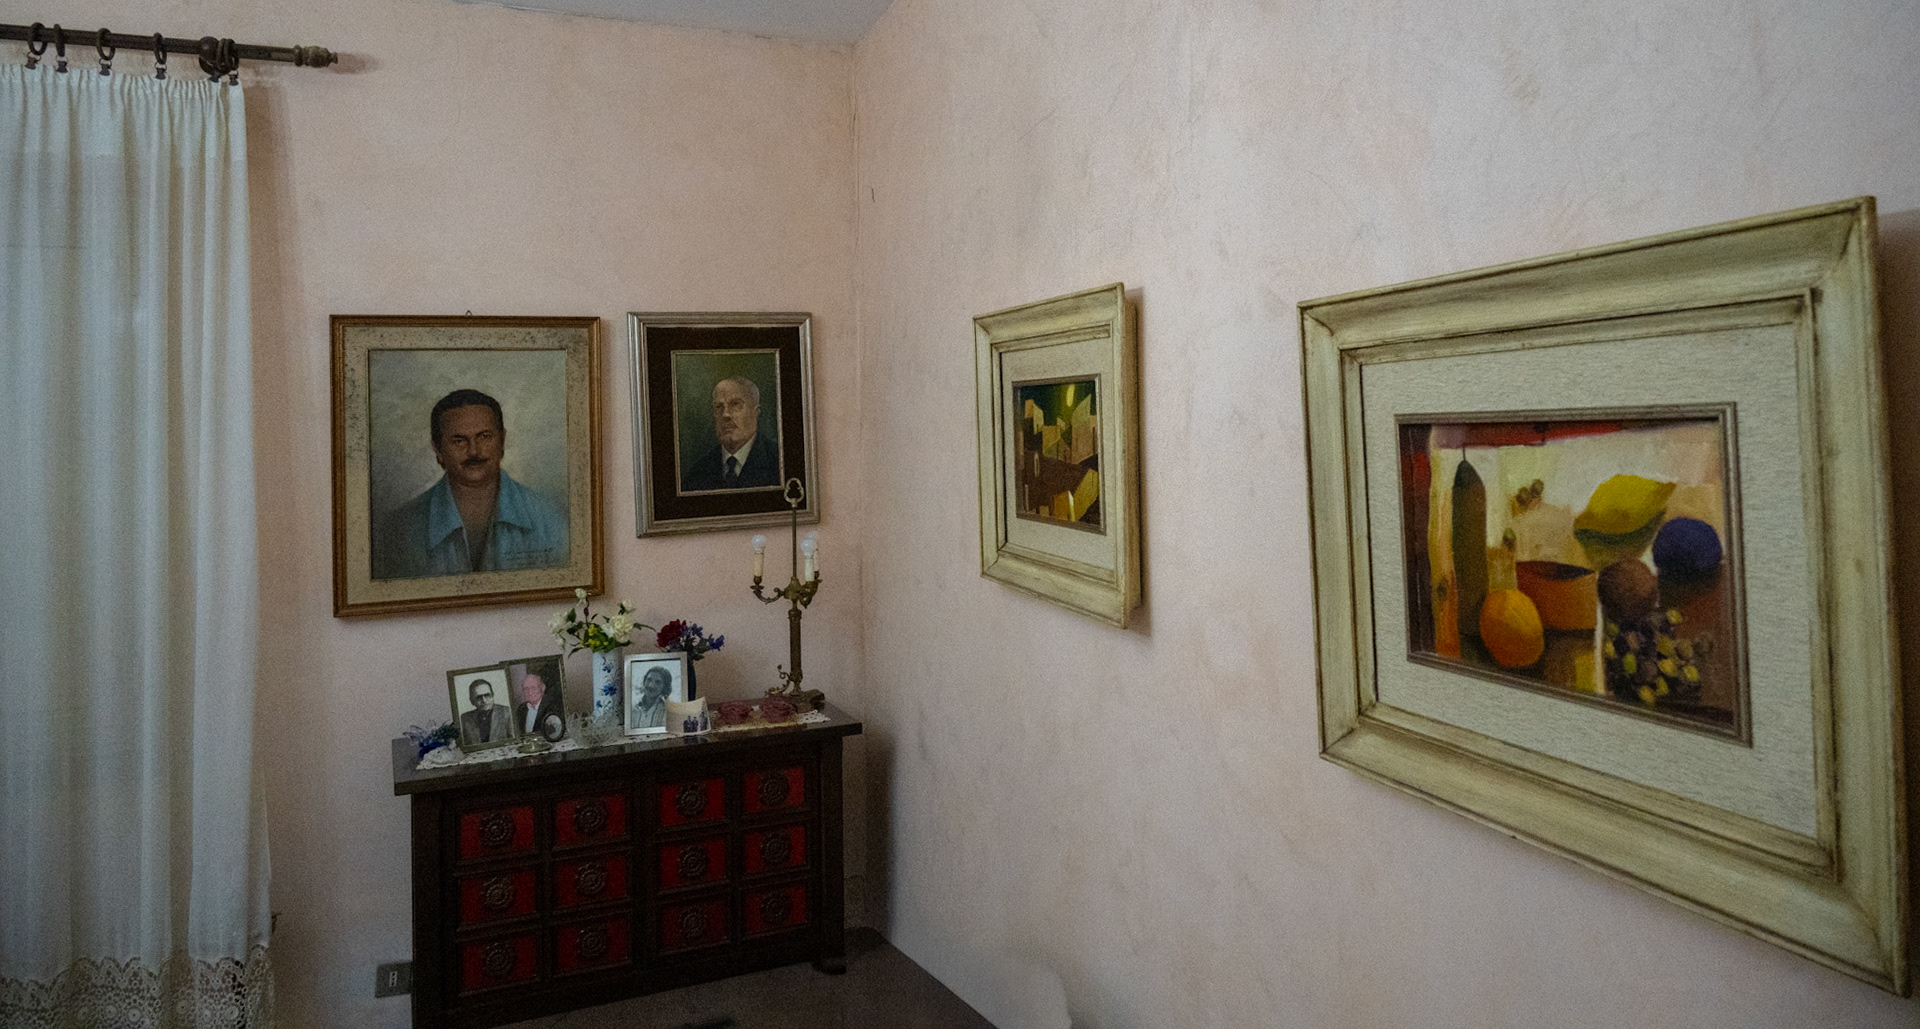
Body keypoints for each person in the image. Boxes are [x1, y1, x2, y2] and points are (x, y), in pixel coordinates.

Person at [371, 388, 570, 580]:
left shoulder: (549, 520)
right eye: (459, 441)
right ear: (438, 450)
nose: (474, 451)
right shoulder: (399, 530)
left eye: (484, 437)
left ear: (502, 441)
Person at [681, 376, 780, 492]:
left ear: (755, 413)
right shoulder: (698, 472)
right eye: (719, 407)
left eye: (735, 404)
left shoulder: (778, 462)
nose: (725, 414)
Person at [459, 678, 513, 747]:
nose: (484, 700)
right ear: (472, 701)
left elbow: (514, 742)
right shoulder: (464, 719)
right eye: (479, 697)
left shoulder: (507, 713)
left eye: (487, 695)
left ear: (493, 696)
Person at [513, 670, 565, 742]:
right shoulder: (521, 709)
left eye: (533, 687)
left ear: (543, 688)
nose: (530, 692)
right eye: (526, 688)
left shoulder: (554, 706)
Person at [631, 666, 672, 730]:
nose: (651, 685)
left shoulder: (667, 712)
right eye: (649, 680)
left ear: (664, 687)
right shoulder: (631, 706)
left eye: (658, 682)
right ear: (644, 681)